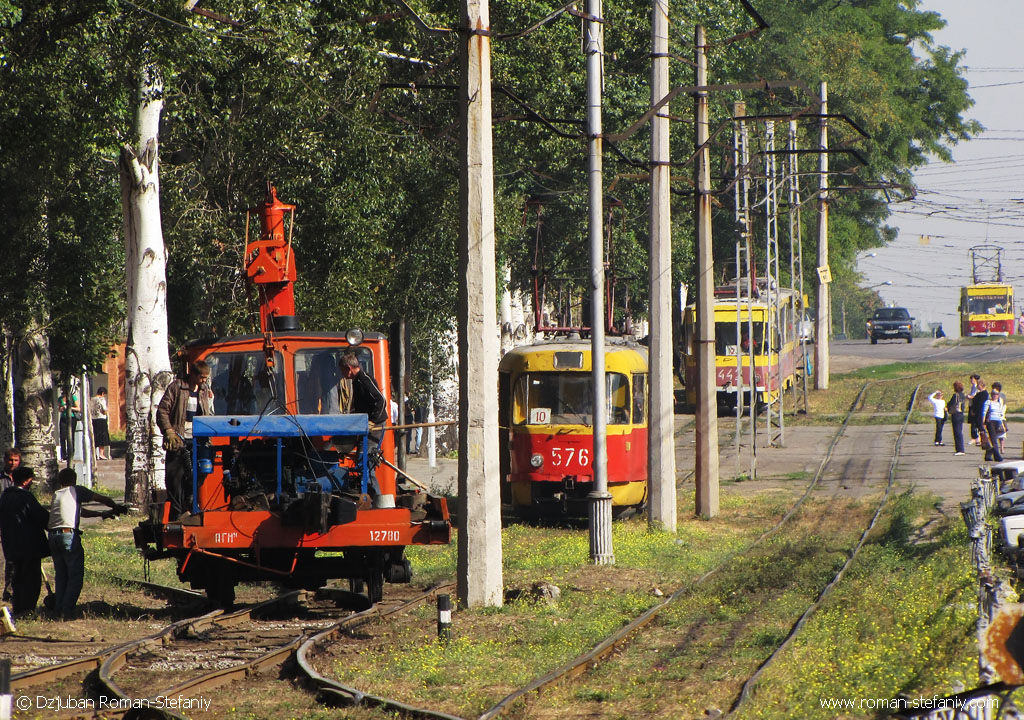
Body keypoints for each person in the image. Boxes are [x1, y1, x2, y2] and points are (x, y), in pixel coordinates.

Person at [48, 468, 125, 619]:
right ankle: (68, 611)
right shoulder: (76, 490)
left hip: (53, 536)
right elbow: (102, 499)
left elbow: (80, 511)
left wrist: (101, 514)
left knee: (62, 576)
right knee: (75, 576)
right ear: (74, 479)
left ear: (60, 480)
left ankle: (58, 610)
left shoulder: (57, 494)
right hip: (68, 535)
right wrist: (115, 507)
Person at [156, 361, 214, 517]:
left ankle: (190, 508)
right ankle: (176, 514)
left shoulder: (203, 391)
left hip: (197, 440)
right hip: (178, 440)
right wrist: (169, 431)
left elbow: (208, 413)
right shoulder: (177, 387)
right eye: (202, 377)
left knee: (198, 474)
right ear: (193, 374)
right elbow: (162, 411)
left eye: (206, 378)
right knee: (175, 479)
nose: (204, 380)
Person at [0, 466, 49, 615]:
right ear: (28, 480)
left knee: (17, 578)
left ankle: (19, 607)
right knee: (31, 579)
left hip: (10, 544)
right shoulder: (25, 497)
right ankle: (27, 609)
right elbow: (40, 517)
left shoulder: (5, 496)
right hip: (28, 545)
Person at [0, 448, 21, 602]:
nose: (13, 463)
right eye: (10, 460)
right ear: (5, 460)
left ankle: (9, 591)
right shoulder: (1, 479)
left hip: (16, 525)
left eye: (16, 460)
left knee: (13, 559)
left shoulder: (22, 478)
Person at [982, 382, 1006, 463]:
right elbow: (984, 412)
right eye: (993, 394)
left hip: (997, 422)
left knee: (993, 438)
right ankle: (997, 456)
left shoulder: (999, 403)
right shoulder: (988, 402)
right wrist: (983, 421)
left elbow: (1000, 414)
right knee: (994, 439)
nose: (994, 395)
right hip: (990, 421)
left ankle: (988, 455)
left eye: (996, 394)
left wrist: (1002, 424)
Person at [58, 390, 81, 464]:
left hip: (72, 417)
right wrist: (62, 408)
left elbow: (78, 408)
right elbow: (59, 409)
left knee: (71, 436)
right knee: (62, 437)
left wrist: (69, 407)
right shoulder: (60, 398)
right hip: (63, 418)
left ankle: (70, 454)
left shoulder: (72, 397)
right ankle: (63, 455)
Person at [947, 381, 967, 456]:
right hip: (961, 414)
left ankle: (960, 449)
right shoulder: (963, 395)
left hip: (956, 414)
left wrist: (947, 407)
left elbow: (950, 403)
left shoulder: (955, 395)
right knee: (959, 431)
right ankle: (960, 449)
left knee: (957, 432)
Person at [91, 388, 111, 461]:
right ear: (102, 393)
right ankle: (101, 454)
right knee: (102, 436)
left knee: (95, 436)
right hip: (101, 419)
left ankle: (94, 454)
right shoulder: (102, 400)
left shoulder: (92, 399)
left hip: (94, 419)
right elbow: (104, 410)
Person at [969, 378, 987, 448]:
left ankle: (984, 441)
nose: (977, 387)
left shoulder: (984, 394)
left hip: (979, 412)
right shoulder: (979, 393)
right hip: (976, 412)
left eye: (978, 385)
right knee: (975, 427)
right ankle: (978, 440)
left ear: (982, 385)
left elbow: (979, 404)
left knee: (980, 427)